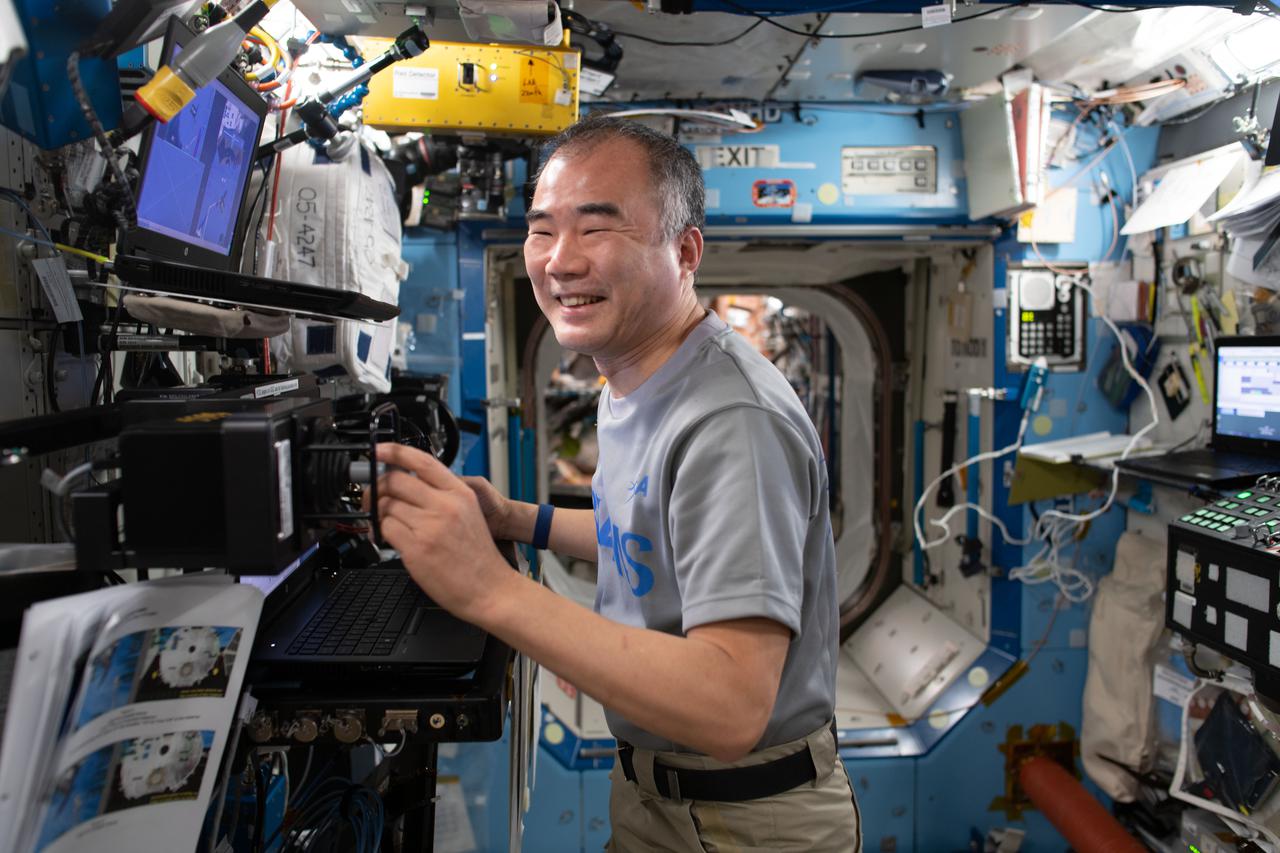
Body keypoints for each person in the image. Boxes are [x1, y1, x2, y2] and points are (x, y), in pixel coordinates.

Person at [372, 113, 859, 851]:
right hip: (657, 794)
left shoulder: (731, 418)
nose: (560, 260)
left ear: (685, 249)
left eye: (597, 228)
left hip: (742, 819)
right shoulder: (632, 376)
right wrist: (513, 519)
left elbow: (731, 704)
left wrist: (488, 589)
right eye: (542, 230)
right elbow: (643, 536)